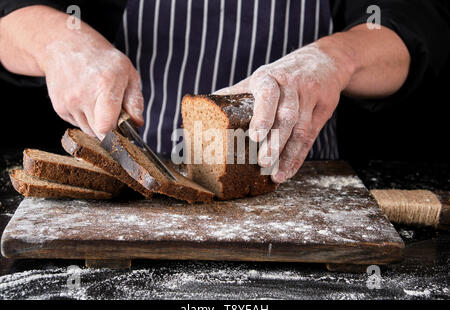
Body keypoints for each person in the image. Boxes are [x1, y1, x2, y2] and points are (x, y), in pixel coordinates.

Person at [0, 0, 448, 183]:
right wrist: (57, 40)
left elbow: (412, 25)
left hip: (299, 183)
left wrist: (335, 60)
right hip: (133, 178)